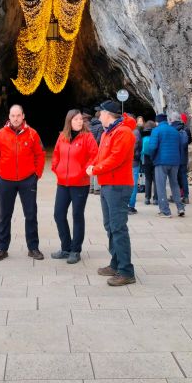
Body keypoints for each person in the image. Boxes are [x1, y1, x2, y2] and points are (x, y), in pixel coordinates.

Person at [85, 100, 137, 286]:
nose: (99, 116)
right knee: (110, 226)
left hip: (118, 186)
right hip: (108, 185)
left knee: (118, 228)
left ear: (108, 114)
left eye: (101, 113)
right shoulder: (110, 131)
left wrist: (96, 169)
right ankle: (115, 264)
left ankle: (126, 271)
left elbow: (116, 158)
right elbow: (101, 155)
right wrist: (92, 164)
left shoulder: (122, 132)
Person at [0, 105, 46, 261]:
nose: (15, 118)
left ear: (23, 116)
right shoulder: (0, 134)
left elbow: (40, 155)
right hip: (5, 181)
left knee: (31, 214)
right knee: (5, 215)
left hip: (27, 180)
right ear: (9, 116)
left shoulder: (32, 134)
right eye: (13, 115)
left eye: (18, 115)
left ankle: (33, 248)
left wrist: (36, 175)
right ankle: (2, 248)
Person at [51, 109, 98, 264]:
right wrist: (56, 169)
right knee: (58, 214)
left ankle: (75, 250)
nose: (79, 122)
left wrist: (84, 170)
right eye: (76, 119)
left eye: (80, 119)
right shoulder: (62, 136)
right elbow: (56, 154)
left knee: (77, 216)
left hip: (80, 183)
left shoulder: (88, 137)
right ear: (69, 121)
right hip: (63, 183)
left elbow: (94, 156)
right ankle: (66, 247)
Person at [145, 112, 185, 218]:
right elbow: (180, 147)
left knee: (161, 186)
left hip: (161, 161)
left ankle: (165, 211)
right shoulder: (175, 131)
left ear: (157, 121)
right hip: (175, 161)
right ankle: (180, 207)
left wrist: (153, 158)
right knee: (174, 184)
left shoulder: (156, 130)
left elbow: (152, 147)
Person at [172, 116, 192, 205]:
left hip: (174, 157)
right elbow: (189, 141)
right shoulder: (186, 129)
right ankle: (186, 196)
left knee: (175, 177)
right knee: (184, 176)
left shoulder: (171, 129)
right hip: (183, 156)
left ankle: (177, 195)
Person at [86, 109, 104, 194]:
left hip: (89, 149)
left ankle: (91, 187)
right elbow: (99, 139)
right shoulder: (100, 126)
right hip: (96, 149)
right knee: (96, 168)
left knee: (90, 167)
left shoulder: (90, 124)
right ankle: (97, 188)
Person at [128, 113, 142, 214]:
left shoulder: (126, 131)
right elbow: (136, 146)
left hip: (129, 161)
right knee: (133, 184)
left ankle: (128, 205)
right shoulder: (135, 132)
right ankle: (130, 206)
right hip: (133, 162)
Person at [140, 121, 157, 205]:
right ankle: (156, 199)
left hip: (146, 159)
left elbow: (141, 150)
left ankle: (147, 198)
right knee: (155, 179)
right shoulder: (156, 135)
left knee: (148, 179)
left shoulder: (143, 137)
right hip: (155, 158)